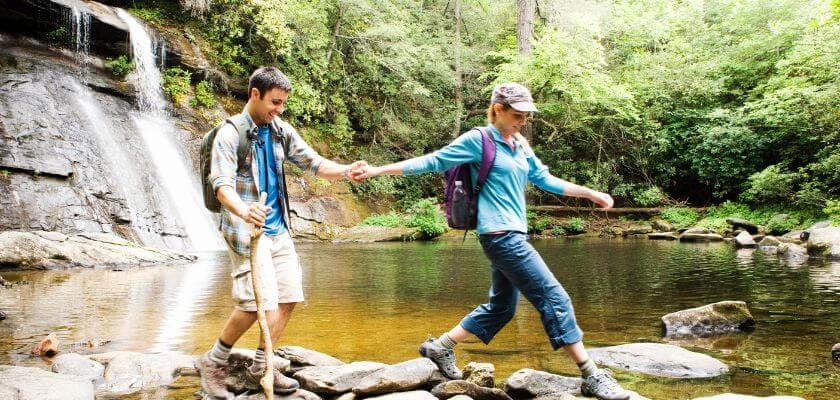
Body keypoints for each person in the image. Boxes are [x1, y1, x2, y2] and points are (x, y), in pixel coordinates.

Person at [355, 83, 631, 400]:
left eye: (526, 116)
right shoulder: (479, 140)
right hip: (499, 236)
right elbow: (433, 161)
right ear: (497, 110)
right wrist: (376, 171)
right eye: (517, 115)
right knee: (554, 298)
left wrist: (590, 193)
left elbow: (545, 180)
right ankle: (591, 375)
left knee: (501, 307)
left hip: (514, 234)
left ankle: (439, 347)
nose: (522, 121)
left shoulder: (520, 146)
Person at [196, 66, 366, 399]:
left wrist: (346, 171)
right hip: (246, 231)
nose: (279, 109)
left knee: (288, 298)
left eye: (283, 103)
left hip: (278, 230)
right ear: (254, 94)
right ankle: (213, 362)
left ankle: (262, 366)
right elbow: (220, 185)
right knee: (253, 305)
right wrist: (245, 210)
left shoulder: (280, 131)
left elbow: (314, 164)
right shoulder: (230, 134)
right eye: (275, 102)